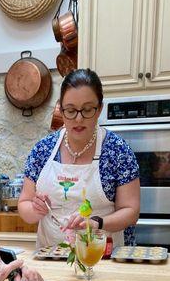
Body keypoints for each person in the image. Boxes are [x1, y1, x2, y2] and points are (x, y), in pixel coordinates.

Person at [19, 69, 140, 247]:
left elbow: (131, 211)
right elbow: (24, 204)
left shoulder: (118, 152)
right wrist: (35, 209)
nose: (78, 118)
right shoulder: (42, 150)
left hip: (102, 259)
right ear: (61, 109)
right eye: (71, 110)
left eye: (87, 110)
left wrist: (97, 223)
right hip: (51, 257)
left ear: (99, 109)